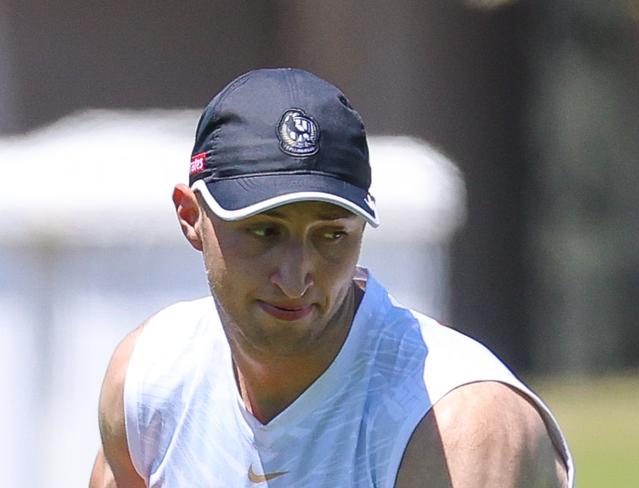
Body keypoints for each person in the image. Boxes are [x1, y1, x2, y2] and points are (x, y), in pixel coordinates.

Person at [90, 68, 574, 487]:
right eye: (263, 231)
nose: (296, 277)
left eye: (330, 236)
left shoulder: (459, 427)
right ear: (191, 216)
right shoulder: (150, 383)